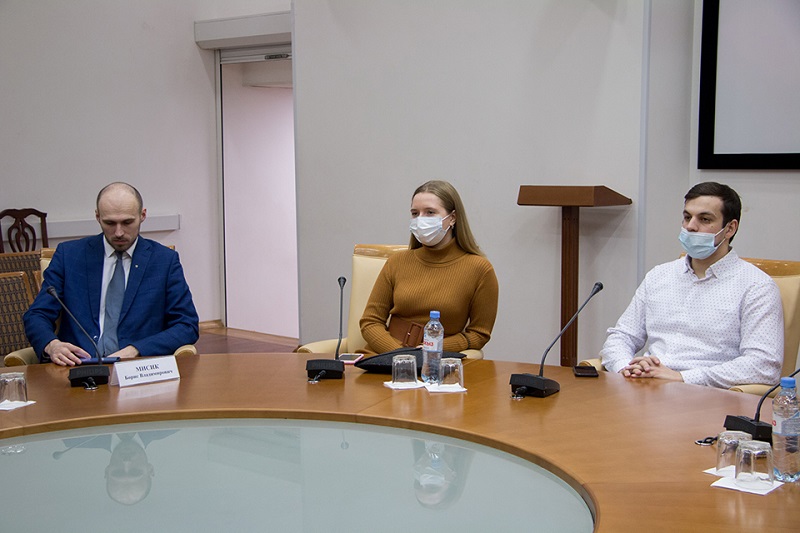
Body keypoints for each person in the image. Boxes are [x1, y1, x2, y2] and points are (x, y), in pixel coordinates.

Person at [600, 181, 783, 388]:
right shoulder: (659, 275)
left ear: (730, 228)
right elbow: (621, 336)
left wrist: (682, 377)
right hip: (645, 387)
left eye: (704, 219)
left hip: (707, 395)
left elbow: (763, 365)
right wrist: (626, 367)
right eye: (687, 217)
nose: (690, 226)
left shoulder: (756, 286)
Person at [24, 182, 199, 365]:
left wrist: (137, 349)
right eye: (109, 223)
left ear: (142, 215)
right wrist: (52, 345)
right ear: (97, 217)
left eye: (127, 222)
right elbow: (37, 314)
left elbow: (186, 325)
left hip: (137, 368)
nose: (119, 232)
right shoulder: (69, 256)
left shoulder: (164, 261)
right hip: (77, 367)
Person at [360, 180, 499, 354]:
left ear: (452, 218)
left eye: (430, 212)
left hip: (437, 360)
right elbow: (370, 322)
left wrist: (434, 349)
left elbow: (479, 334)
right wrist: (401, 355)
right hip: (383, 356)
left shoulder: (480, 269)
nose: (420, 220)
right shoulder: (396, 262)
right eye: (415, 213)